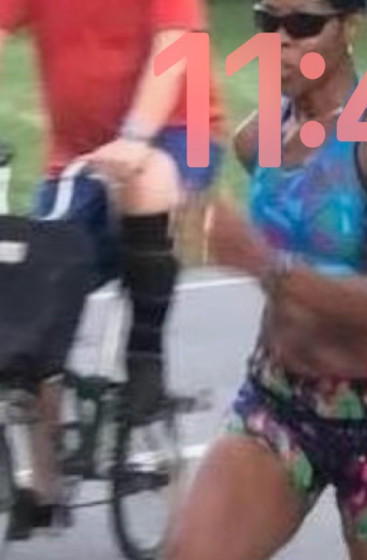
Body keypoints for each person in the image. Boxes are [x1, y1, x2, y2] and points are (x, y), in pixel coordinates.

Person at [164, 0, 367, 558]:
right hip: (279, 401)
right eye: (267, 20)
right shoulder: (260, 137)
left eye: (302, 24)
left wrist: (262, 263)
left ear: (350, 26)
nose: (279, 40)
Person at [0, 0, 224, 537]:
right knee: (36, 296)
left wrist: (137, 135)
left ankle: (145, 358)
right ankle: (45, 484)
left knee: (144, 181)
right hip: (79, 155)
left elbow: (175, 45)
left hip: (183, 132)